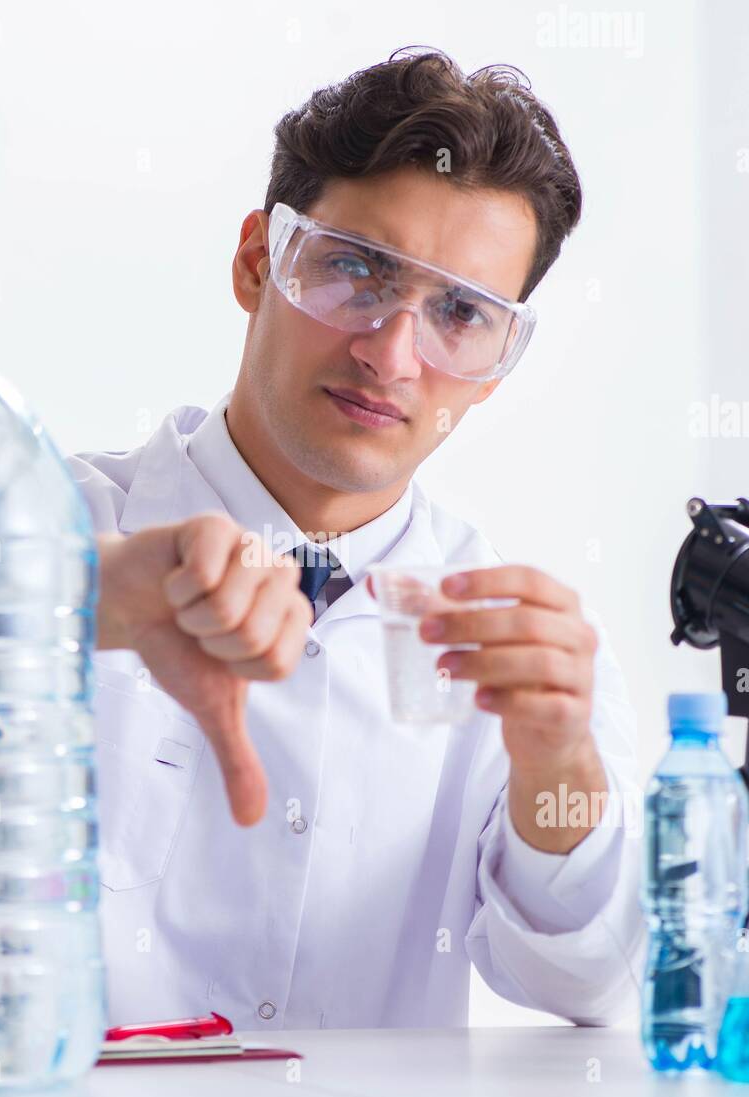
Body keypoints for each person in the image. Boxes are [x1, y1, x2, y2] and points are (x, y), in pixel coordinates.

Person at [79, 47, 642, 1030]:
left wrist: (559, 763)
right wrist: (67, 601)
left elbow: (588, 983)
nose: (390, 355)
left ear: (497, 360)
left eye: (460, 314)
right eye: (355, 270)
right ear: (260, 263)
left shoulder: (513, 633)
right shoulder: (56, 530)